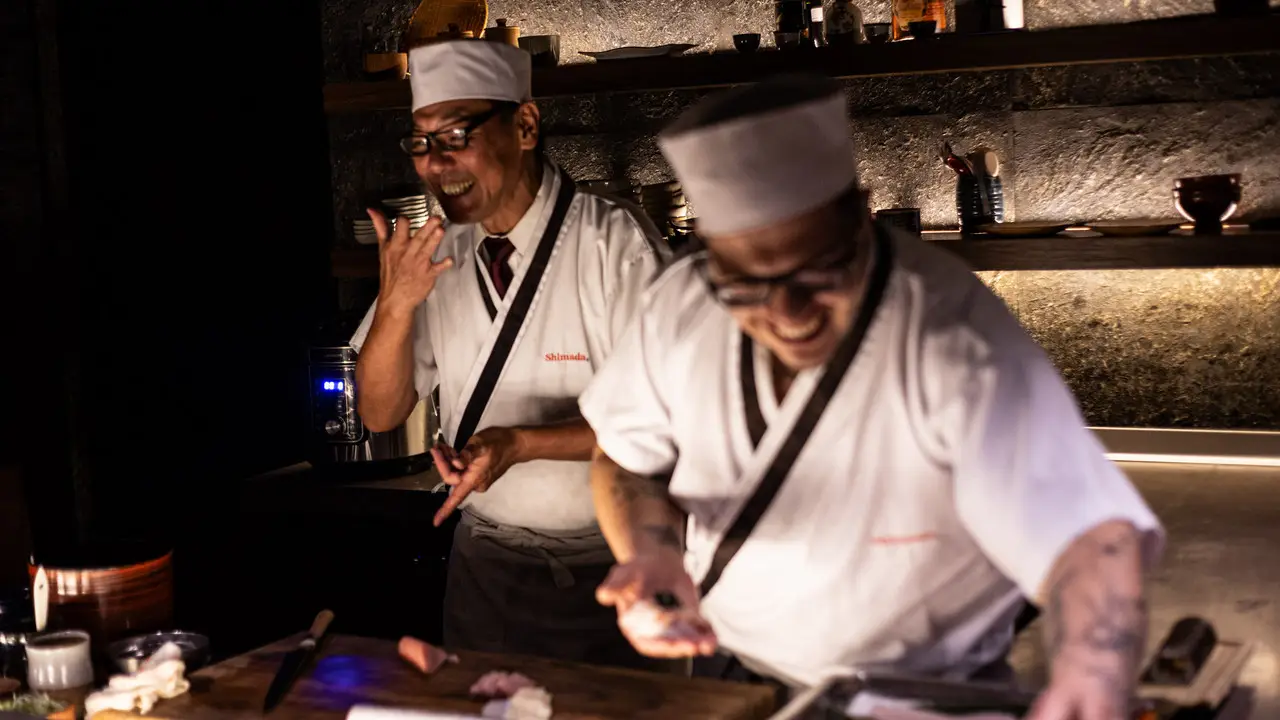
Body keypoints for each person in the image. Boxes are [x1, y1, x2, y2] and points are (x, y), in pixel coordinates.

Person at [579, 74, 1165, 717]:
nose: (788, 313)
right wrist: (653, 556)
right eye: (746, 283)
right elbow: (624, 458)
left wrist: (1092, 672)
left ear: (861, 216)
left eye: (817, 269)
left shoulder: (953, 336)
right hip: (728, 667)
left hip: (922, 697)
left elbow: (1086, 539)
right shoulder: (682, 303)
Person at [349, 38, 669, 669]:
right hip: (485, 572)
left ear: (524, 126)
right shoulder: (436, 252)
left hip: (616, 569)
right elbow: (379, 412)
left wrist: (519, 443)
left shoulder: (613, 243)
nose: (436, 163)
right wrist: (395, 305)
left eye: (457, 135)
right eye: (421, 141)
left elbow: (662, 421)